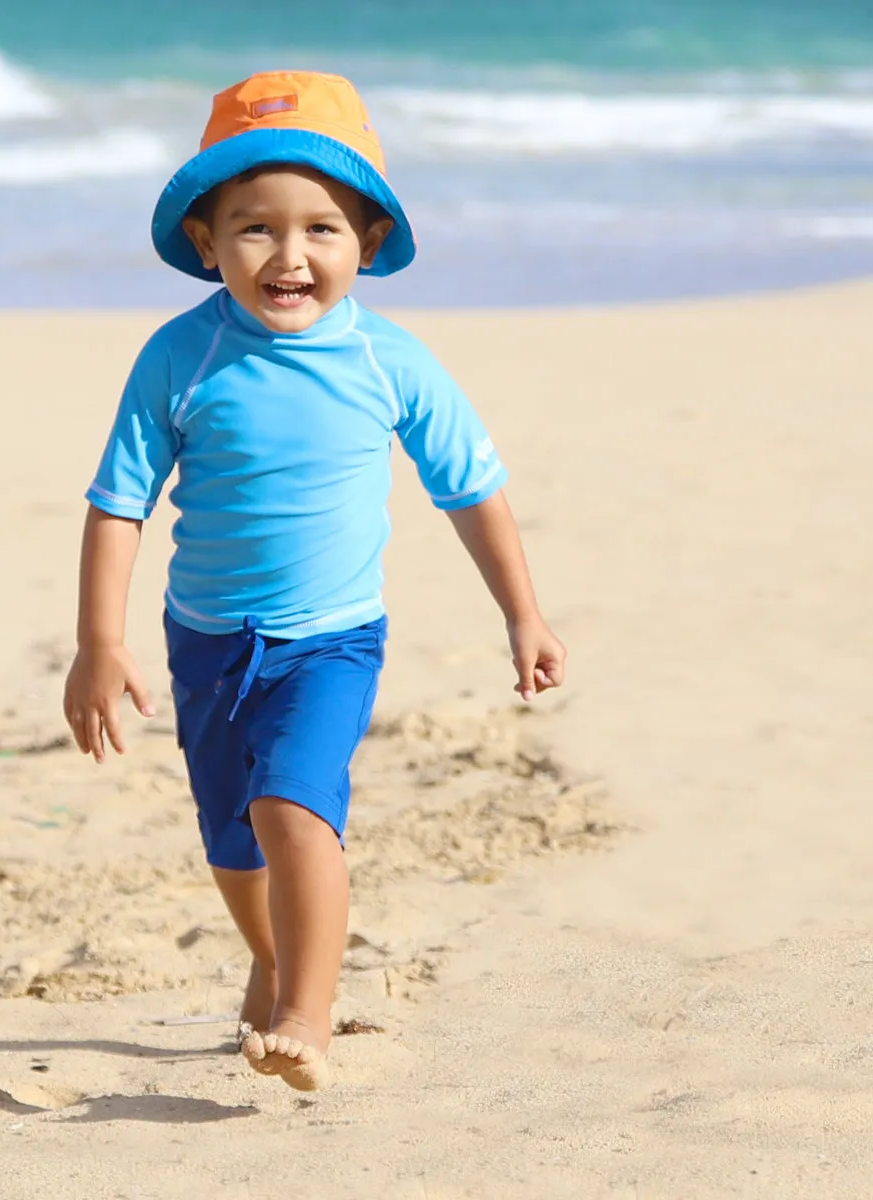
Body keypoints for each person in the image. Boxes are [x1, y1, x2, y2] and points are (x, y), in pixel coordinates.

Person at [62, 71, 566, 1092]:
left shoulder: (393, 362)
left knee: (294, 804)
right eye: (254, 230)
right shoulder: (181, 357)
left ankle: (307, 1010)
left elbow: (470, 488)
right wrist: (98, 643)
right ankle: (267, 954)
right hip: (205, 640)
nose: (289, 256)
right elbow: (119, 503)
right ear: (206, 242)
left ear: (367, 244)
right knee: (231, 839)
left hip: (333, 639)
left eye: (322, 230)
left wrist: (524, 613)